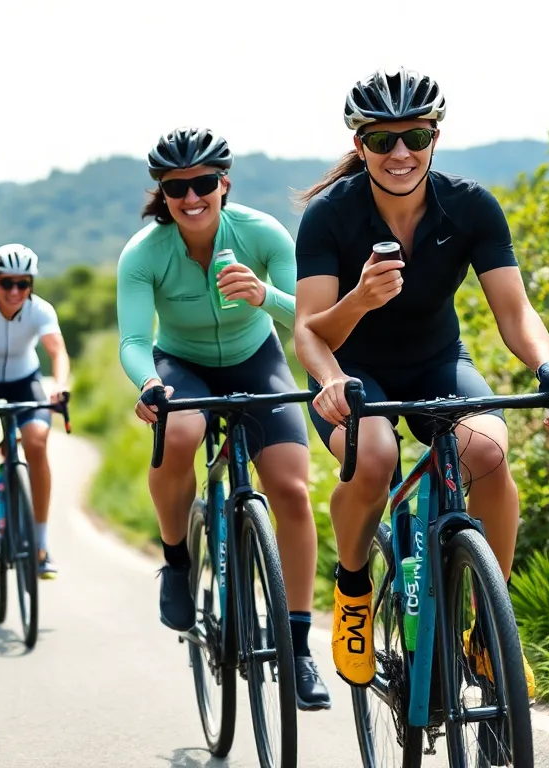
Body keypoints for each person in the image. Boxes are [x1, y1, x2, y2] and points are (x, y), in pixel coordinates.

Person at [293, 68, 549, 693]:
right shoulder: (330, 217)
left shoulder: (469, 205)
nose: (400, 153)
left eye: (415, 137)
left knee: (487, 451)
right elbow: (310, 332)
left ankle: (486, 634)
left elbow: (514, 310)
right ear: (359, 144)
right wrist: (360, 305)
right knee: (375, 456)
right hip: (353, 374)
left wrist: (548, 370)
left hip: (437, 363)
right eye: (382, 139)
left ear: (435, 138)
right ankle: (354, 588)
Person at [117, 127, 331, 710]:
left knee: (289, 487)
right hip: (179, 365)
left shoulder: (261, 234)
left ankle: (299, 647)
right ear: (161, 193)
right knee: (181, 430)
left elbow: (309, 324)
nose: (191, 197)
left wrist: (265, 295)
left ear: (224, 183)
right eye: (176, 187)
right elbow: (135, 340)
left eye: (203, 183)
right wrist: (150, 383)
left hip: (255, 359)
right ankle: (177, 560)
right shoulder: (144, 254)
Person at [0, 244, 70, 579]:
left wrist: (61, 386)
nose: (14, 291)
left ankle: (40, 544)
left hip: (26, 380)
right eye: (7, 283)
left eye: (22, 284)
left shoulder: (41, 310)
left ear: (31, 286)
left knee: (36, 442)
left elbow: (58, 351)